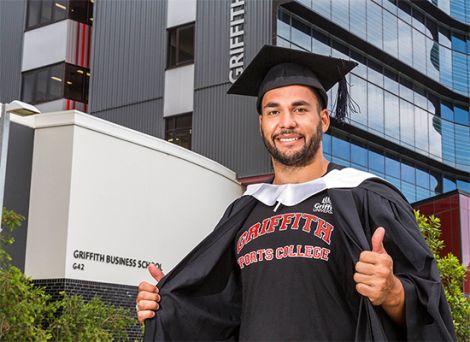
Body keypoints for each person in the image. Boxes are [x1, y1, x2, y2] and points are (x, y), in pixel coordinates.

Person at [136, 45, 455, 341]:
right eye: (273, 112)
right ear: (261, 123)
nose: (286, 122)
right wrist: (170, 305)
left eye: (300, 109)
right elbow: (220, 316)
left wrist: (394, 293)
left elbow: (431, 308)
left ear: (324, 120)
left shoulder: (367, 199)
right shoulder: (243, 212)